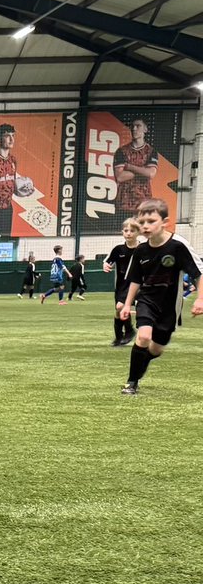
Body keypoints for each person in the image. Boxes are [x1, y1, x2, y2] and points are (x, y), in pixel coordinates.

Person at [118, 198, 203, 395]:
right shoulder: (140, 250)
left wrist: (200, 299)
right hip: (146, 300)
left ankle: (140, 365)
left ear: (165, 222)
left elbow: (198, 274)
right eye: (142, 222)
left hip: (170, 305)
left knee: (156, 349)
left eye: (151, 221)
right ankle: (131, 382)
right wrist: (126, 305)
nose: (145, 226)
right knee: (144, 336)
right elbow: (135, 280)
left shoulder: (178, 246)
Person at [103, 218, 141, 346]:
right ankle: (119, 338)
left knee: (121, 306)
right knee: (118, 310)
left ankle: (130, 331)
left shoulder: (143, 248)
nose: (129, 233)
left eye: (132, 230)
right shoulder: (118, 249)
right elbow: (107, 261)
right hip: (121, 286)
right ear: (122, 232)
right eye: (126, 230)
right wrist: (105, 265)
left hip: (138, 284)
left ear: (138, 232)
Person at [115, 118, 159, 218]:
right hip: (124, 203)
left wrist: (130, 167)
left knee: (143, 232)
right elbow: (120, 177)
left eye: (138, 126)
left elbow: (151, 174)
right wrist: (143, 170)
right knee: (125, 232)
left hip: (144, 203)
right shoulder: (121, 151)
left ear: (145, 129)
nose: (134, 129)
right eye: (132, 126)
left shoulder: (151, 151)